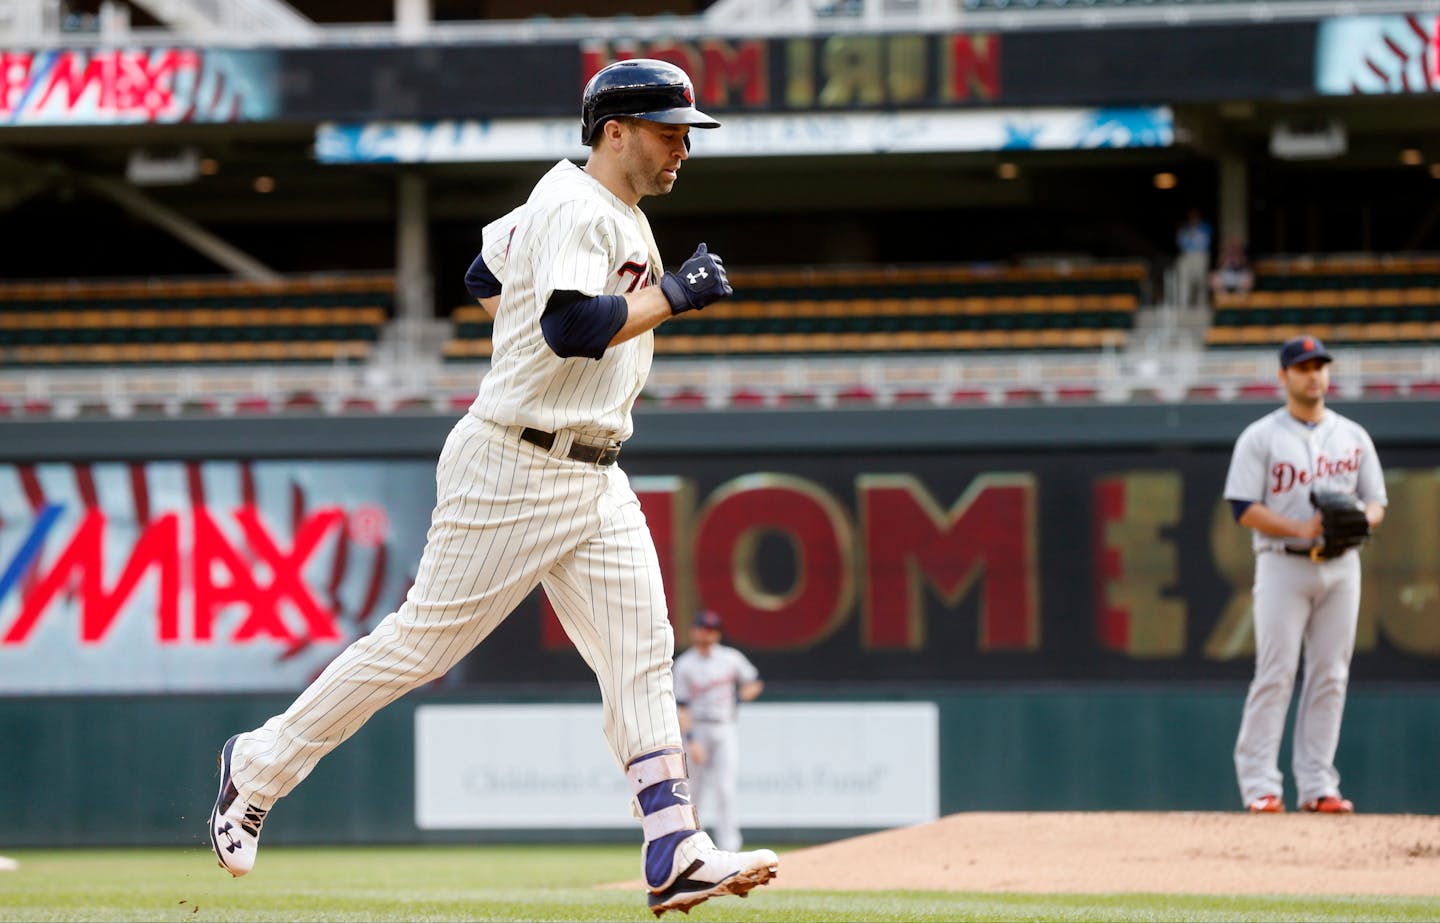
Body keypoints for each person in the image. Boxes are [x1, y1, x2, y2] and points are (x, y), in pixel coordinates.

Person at [206, 58, 779, 918]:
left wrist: (529, 342)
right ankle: (257, 764)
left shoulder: (579, 205)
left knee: (640, 650)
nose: (681, 147)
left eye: (686, 132)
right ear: (613, 132)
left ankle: (675, 846)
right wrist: (674, 294)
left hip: (593, 468)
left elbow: (483, 275)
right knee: (419, 647)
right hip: (516, 464)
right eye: (668, 130)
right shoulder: (575, 206)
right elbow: (571, 326)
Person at [1222, 335, 1386, 814]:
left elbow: (1376, 502)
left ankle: (1318, 786)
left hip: (1342, 564)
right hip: (1282, 562)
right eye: (1303, 367)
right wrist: (1300, 526)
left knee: (1331, 675)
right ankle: (1260, 787)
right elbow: (1242, 507)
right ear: (1284, 376)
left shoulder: (1352, 435)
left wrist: (1360, 519)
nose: (1313, 374)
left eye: (1320, 366)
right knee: (1275, 673)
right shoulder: (1261, 436)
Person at [672, 610, 764, 853]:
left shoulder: (731, 659)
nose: (706, 633)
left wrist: (739, 699)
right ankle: (691, 845)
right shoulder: (685, 665)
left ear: (718, 633)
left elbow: (754, 682)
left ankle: (730, 847)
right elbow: (681, 706)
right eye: (703, 628)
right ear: (694, 631)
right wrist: (690, 740)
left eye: (711, 629)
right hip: (697, 728)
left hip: (724, 727)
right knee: (694, 791)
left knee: (725, 789)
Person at [1174, 207, 1213, 308]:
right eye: (1191, 217)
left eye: (1195, 217)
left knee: (1201, 281)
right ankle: (1183, 305)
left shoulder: (1205, 227)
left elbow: (1205, 243)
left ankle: (1202, 304)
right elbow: (1181, 243)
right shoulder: (1185, 228)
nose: (1193, 219)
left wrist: (1193, 237)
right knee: (1184, 280)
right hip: (1187, 255)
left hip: (1200, 255)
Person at [1210, 236, 1255, 302]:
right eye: (1232, 244)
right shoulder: (1225, 253)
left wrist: (1238, 261)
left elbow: (1245, 265)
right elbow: (1219, 265)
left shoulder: (1242, 254)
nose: (1234, 246)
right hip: (1227, 275)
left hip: (1239, 275)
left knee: (1248, 276)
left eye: (1235, 244)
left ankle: (1241, 297)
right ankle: (1222, 297)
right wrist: (1226, 261)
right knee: (1214, 276)